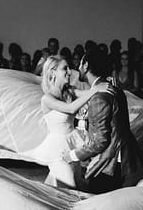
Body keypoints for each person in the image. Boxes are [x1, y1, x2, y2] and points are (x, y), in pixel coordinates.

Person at [63, 49, 143, 193]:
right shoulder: (114, 89)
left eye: (80, 64)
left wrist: (73, 155)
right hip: (125, 157)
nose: (78, 68)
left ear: (86, 65)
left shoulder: (99, 97)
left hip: (110, 163)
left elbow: (100, 141)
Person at [26, 56, 110, 188]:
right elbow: (71, 109)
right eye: (65, 68)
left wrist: (102, 87)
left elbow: (89, 94)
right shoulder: (47, 99)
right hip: (58, 148)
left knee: (71, 184)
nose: (70, 72)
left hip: (72, 143)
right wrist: (95, 90)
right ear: (52, 72)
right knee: (69, 186)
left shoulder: (69, 91)